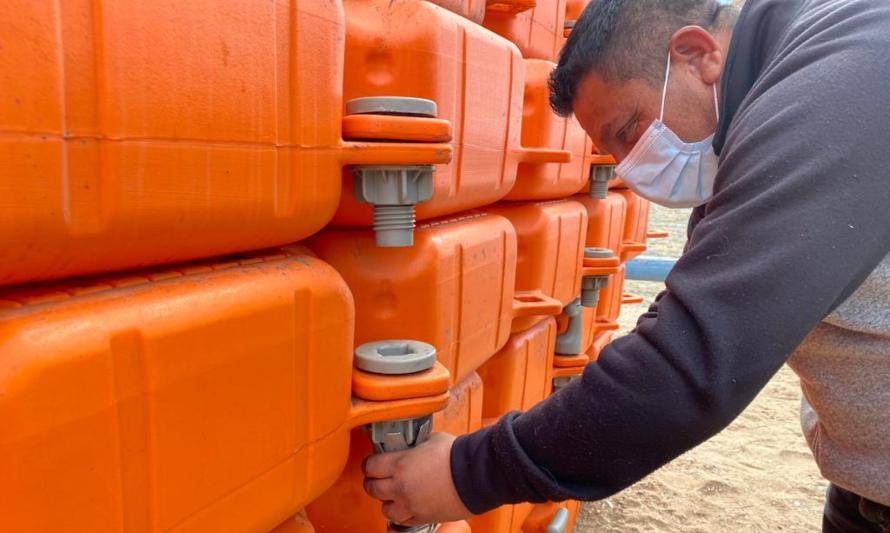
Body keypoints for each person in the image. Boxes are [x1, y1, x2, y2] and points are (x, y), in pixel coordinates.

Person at [361, 0, 890, 530]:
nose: (632, 170)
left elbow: (692, 359)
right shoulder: (775, 103)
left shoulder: (848, 76)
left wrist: (469, 473)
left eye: (629, 129)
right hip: (863, 489)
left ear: (695, 54)